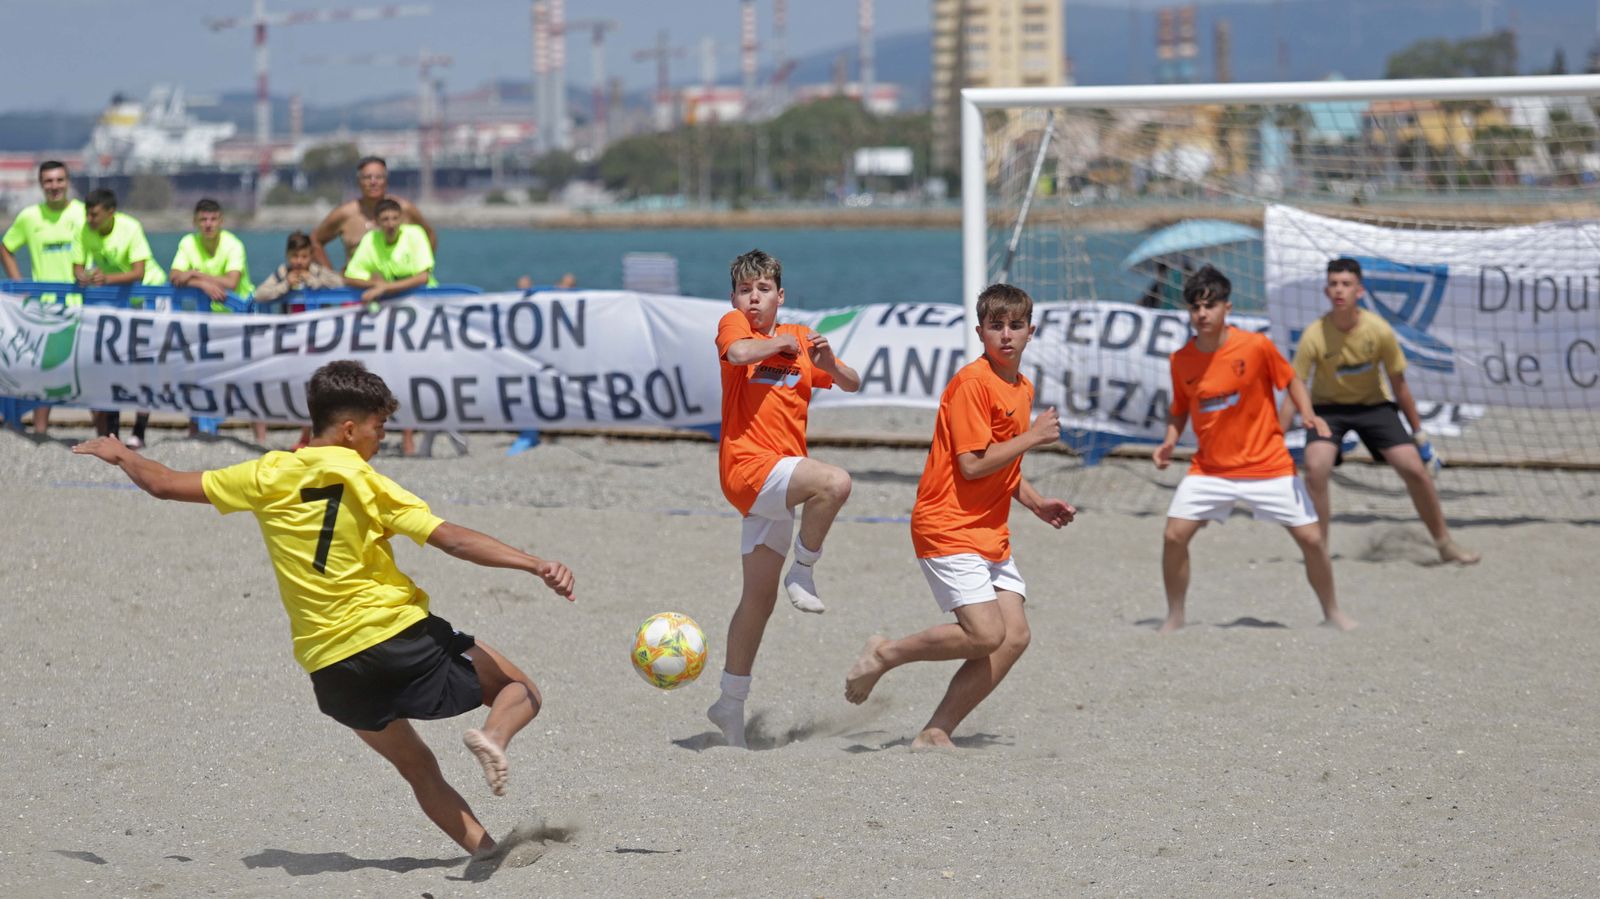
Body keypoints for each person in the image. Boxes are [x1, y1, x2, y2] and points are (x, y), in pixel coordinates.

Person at [71, 360, 576, 857]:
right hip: (395, 635)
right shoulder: (364, 479)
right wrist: (533, 564)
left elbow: (162, 483)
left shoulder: (267, 472)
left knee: (417, 767)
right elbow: (452, 540)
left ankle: (486, 852)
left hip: (329, 664)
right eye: (379, 428)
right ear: (350, 429)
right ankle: (493, 736)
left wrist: (121, 455)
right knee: (522, 689)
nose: (381, 439)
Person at [842, 283, 1076, 749]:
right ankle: (884, 654)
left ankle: (935, 731)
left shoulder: (1021, 386)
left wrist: (1035, 502)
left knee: (1014, 637)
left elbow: (1003, 462)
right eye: (996, 326)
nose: (1006, 335)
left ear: (1032, 332)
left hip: (989, 530)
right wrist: (1032, 438)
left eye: (1015, 326)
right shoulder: (973, 383)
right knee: (986, 633)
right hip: (947, 524)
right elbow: (972, 464)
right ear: (980, 332)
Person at [706, 249, 861, 749]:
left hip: (780, 482)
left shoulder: (798, 337)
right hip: (748, 469)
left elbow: (852, 382)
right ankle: (806, 566)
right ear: (734, 297)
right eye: (746, 290)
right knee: (835, 482)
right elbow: (738, 355)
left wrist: (827, 363)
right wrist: (776, 345)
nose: (754, 298)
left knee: (759, 598)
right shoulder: (737, 327)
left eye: (764, 289)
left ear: (781, 295)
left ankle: (729, 703)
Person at [1150, 265, 1356, 633]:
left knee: (1312, 539)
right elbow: (1179, 408)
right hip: (1211, 470)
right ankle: (1176, 615)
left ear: (1227, 308)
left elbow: (1291, 380)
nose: (1202, 314)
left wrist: (1309, 415)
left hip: (1268, 465)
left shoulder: (1256, 346)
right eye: (1196, 307)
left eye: (1210, 306)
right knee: (1173, 535)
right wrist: (1169, 440)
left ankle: (1333, 612)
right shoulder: (1181, 360)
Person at [1282, 258, 1480, 566]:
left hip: (1373, 407)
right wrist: (1273, 437)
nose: (1339, 290)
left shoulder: (1378, 330)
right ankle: (1318, 550)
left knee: (1415, 469)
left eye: (1346, 284)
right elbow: (1294, 391)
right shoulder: (1314, 334)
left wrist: (1420, 436)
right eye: (1334, 284)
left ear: (1359, 291)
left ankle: (1444, 543)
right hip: (1328, 410)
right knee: (1316, 466)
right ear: (1325, 290)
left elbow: (1400, 387)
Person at [343, 197, 437, 456]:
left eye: (395, 218)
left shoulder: (415, 235)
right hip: (392, 318)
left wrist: (384, 287)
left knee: (426, 373)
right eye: (385, 220)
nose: (391, 224)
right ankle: (406, 435)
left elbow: (423, 276)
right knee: (398, 373)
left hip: (424, 315)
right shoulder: (371, 241)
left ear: (402, 219)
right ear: (376, 223)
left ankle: (421, 435)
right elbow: (350, 276)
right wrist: (374, 286)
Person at [73, 188, 166, 448]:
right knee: (114, 362)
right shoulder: (84, 229)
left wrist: (106, 279)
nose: (90, 219)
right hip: (120, 300)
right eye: (87, 214)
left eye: (94, 215)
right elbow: (77, 265)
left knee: (143, 365)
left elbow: (139, 271)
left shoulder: (131, 227)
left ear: (110, 213)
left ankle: (139, 430)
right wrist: (81, 276)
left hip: (148, 296)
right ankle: (113, 432)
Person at [1, 160, 85, 436]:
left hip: (82, 305)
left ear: (68, 181)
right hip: (43, 308)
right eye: (48, 181)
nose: (54, 186)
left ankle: (105, 434)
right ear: (41, 185)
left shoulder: (83, 213)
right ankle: (39, 434)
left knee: (91, 367)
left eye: (59, 180)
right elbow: (5, 247)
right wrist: (19, 284)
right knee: (42, 370)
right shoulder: (29, 217)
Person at [170, 198, 255, 440]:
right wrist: (202, 283)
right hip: (205, 318)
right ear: (195, 222)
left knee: (244, 374)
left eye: (213, 219)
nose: (208, 224)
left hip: (237, 316)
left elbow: (232, 282)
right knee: (196, 370)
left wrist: (195, 274)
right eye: (203, 220)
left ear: (221, 221)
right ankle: (198, 427)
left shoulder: (233, 244)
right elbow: (175, 276)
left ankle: (258, 435)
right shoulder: (188, 242)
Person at [256, 231, 347, 449]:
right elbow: (260, 294)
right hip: (291, 340)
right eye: (295, 257)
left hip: (317, 340)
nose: (299, 262)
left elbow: (339, 284)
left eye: (304, 257)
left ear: (310, 256)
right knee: (297, 385)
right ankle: (299, 432)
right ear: (288, 256)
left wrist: (314, 282)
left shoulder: (316, 271)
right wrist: (285, 286)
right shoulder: (282, 273)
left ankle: (308, 436)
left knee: (316, 386)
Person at [310, 155, 436, 272]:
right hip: (357, 285)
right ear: (359, 181)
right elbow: (314, 240)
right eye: (367, 177)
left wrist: (421, 270)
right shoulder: (345, 213)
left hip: (398, 286)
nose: (373, 182)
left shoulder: (404, 209)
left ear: (386, 180)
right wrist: (331, 274)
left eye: (379, 177)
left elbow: (429, 236)